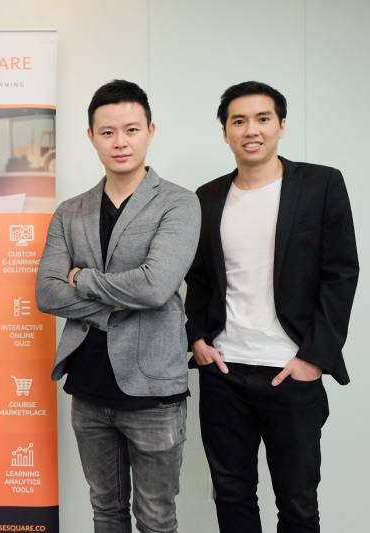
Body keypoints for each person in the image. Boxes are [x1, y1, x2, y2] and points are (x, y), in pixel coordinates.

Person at [185, 81, 359, 533]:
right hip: (225, 372)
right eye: (238, 121)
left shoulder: (321, 184)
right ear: (225, 132)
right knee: (232, 496)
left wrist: (314, 359)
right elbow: (199, 278)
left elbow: (340, 274)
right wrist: (197, 338)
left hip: (290, 371)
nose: (251, 130)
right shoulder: (207, 197)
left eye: (262, 119)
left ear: (281, 125)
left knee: (297, 504)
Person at [36, 79, 200, 533]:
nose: (120, 142)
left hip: (153, 391)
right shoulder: (71, 211)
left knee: (155, 519)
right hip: (88, 388)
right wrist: (113, 306)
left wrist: (82, 279)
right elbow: (47, 292)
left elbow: (155, 286)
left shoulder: (179, 203)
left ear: (150, 131)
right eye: (107, 132)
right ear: (91, 137)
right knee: (105, 512)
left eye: (131, 130)